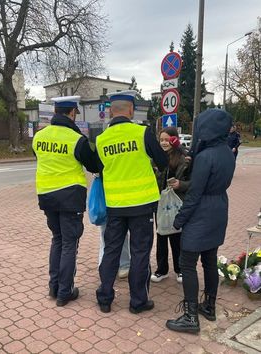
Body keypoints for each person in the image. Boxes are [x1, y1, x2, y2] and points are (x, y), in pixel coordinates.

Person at [95, 90, 168, 313]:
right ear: (131, 110)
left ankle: (105, 299)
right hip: (142, 205)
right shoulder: (142, 133)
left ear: (110, 111)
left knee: (111, 251)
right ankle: (138, 302)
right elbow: (163, 161)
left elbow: (98, 169)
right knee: (139, 253)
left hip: (115, 206)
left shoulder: (100, 139)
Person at [166, 109, 235, 333]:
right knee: (209, 260)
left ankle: (190, 317)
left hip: (201, 213)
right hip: (219, 209)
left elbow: (194, 194)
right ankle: (209, 307)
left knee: (187, 263)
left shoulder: (205, 156)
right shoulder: (226, 151)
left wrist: (180, 219)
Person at [32, 96, 98, 307]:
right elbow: (93, 165)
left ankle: (54, 287)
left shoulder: (39, 136)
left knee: (57, 239)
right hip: (70, 197)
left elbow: (40, 158)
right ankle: (65, 292)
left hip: (46, 196)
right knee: (70, 243)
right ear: (72, 113)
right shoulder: (75, 139)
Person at [151, 127, 190, 284]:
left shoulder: (184, 158)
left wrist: (180, 184)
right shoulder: (155, 158)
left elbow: (192, 183)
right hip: (160, 203)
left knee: (176, 236)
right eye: (161, 140)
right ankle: (162, 270)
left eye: (167, 139)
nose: (164, 143)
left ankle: (179, 270)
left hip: (177, 202)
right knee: (161, 236)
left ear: (174, 139)